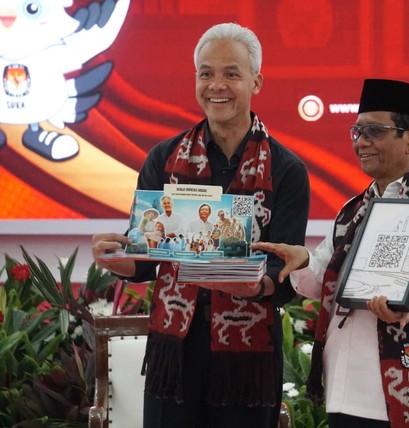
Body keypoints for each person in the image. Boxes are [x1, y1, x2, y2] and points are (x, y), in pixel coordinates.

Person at [91, 22, 310, 428]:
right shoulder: (164, 158)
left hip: (246, 359)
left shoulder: (287, 169)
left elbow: (284, 269)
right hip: (175, 350)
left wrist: (259, 285)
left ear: (256, 81)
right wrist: (116, 259)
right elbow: (145, 258)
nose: (216, 85)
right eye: (206, 73)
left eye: (231, 73)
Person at [252, 79, 409, 428]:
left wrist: (407, 303)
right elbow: (324, 284)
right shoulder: (353, 210)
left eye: (374, 131)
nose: (361, 142)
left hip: (406, 395)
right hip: (345, 390)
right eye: (357, 132)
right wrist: (300, 262)